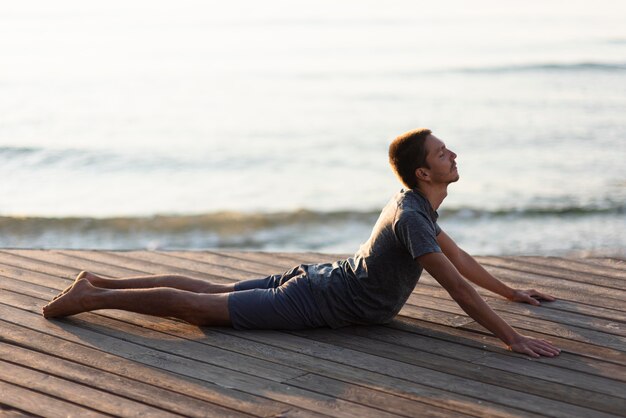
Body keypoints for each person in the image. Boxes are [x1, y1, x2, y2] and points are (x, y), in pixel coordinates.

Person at [43, 128, 561, 358]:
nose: (454, 155)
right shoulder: (413, 215)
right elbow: (456, 288)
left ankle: (100, 281)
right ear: (424, 171)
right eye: (444, 153)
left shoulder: (415, 206)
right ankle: (92, 297)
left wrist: (511, 293)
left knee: (210, 289)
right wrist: (510, 337)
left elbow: (460, 259)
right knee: (204, 308)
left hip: (320, 282)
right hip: (317, 297)